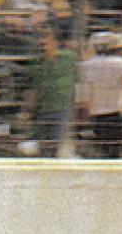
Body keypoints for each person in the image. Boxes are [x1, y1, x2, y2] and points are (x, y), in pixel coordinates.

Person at [20, 24, 79, 158]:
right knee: (41, 142)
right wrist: (27, 110)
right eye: (41, 40)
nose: (43, 43)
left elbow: (78, 80)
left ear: (55, 42)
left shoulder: (69, 58)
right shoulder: (37, 63)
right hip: (42, 108)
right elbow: (33, 87)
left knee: (55, 141)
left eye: (47, 39)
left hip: (61, 106)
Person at [76, 32, 122, 158]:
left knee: (100, 151)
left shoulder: (86, 65)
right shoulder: (121, 63)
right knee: (115, 152)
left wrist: (84, 116)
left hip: (94, 115)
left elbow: (84, 95)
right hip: (116, 113)